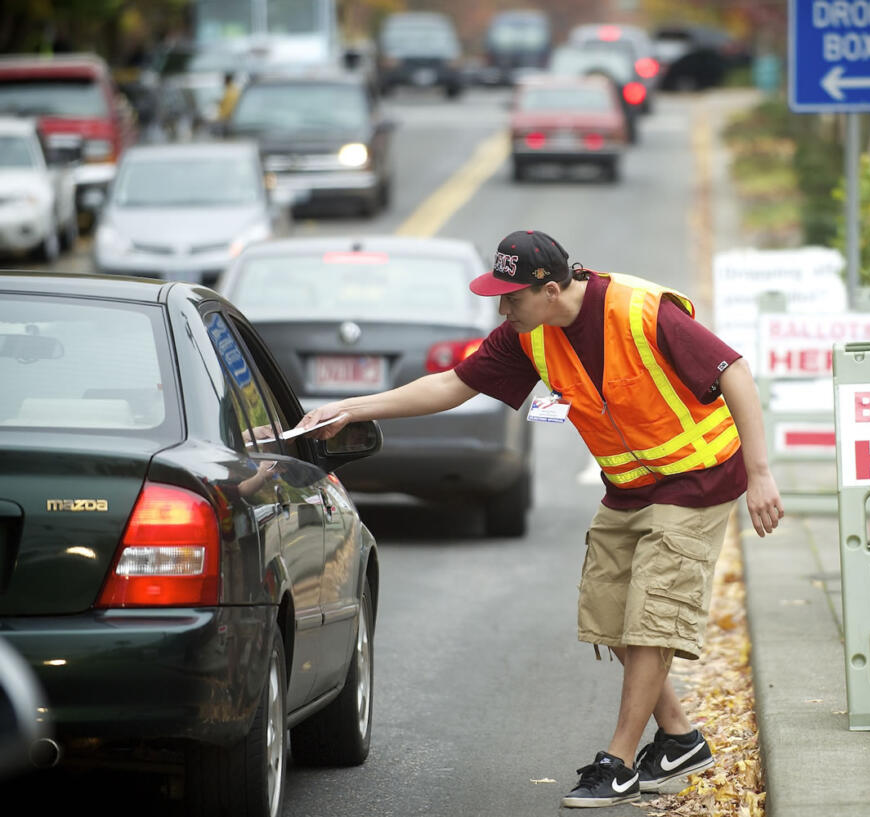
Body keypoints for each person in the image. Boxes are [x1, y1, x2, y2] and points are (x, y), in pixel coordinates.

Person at [296, 229, 783, 808]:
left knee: (652, 618)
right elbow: (452, 384)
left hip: (700, 477)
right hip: (629, 489)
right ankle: (679, 740)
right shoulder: (529, 336)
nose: (503, 309)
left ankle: (619, 761)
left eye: (512, 298)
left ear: (550, 290)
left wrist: (760, 474)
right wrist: (350, 407)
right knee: (609, 617)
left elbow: (735, 373)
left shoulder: (639, 311)